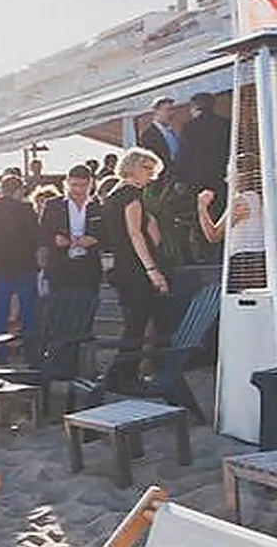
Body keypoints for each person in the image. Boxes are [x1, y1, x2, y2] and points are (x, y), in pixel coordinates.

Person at [107, 149, 168, 388]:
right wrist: (152, 269)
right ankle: (121, 375)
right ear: (135, 167)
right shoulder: (131, 195)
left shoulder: (114, 195)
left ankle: (124, 374)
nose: (151, 176)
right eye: (148, 170)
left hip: (124, 266)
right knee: (136, 325)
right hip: (136, 268)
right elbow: (135, 234)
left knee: (135, 324)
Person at [0, 173, 40, 360]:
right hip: (24, 265)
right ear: (18, 191)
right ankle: (31, 353)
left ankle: (0, 353)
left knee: (0, 313)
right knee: (28, 311)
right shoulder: (27, 209)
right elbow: (36, 237)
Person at [40, 163, 104, 293]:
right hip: (60, 268)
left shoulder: (99, 206)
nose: (79, 190)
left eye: (83, 186)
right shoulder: (52, 205)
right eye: (74, 185)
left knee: (87, 308)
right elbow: (41, 235)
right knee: (61, 309)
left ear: (91, 184)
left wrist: (95, 240)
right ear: (67, 183)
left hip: (89, 268)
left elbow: (109, 234)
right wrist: (55, 240)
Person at [196, 170, 264, 291]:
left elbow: (214, 235)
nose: (226, 180)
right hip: (261, 259)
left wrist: (202, 207)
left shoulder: (242, 201)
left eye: (230, 175)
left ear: (241, 177)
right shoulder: (265, 199)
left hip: (245, 263)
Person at [175, 92, 231, 201]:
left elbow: (184, 154)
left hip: (198, 178)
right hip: (221, 175)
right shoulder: (226, 124)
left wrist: (180, 178)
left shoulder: (190, 127)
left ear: (195, 107)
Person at [138, 96, 181, 169]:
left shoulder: (173, 132)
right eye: (168, 110)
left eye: (172, 110)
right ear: (156, 112)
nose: (171, 113)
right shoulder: (149, 135)